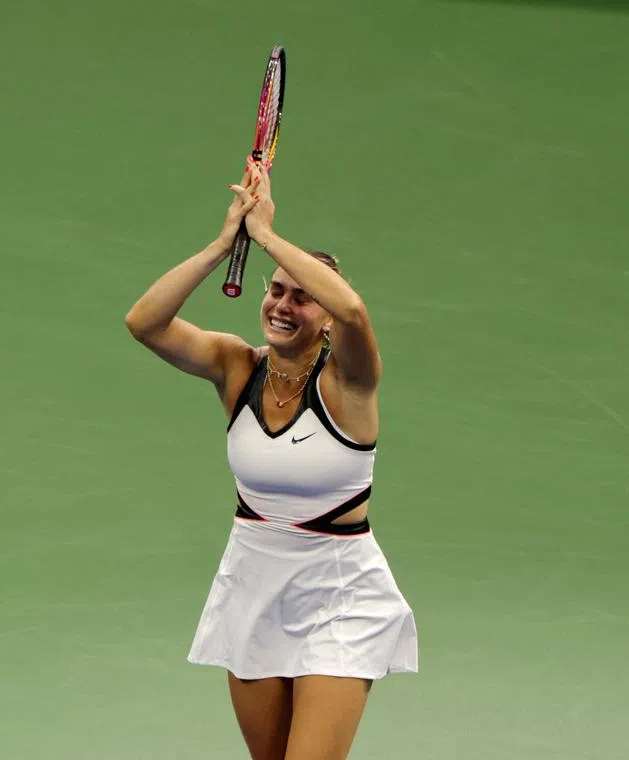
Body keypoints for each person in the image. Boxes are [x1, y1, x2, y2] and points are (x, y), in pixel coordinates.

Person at [124, 157, 418, 760]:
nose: (284, 306)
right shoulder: (237, 366)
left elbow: (357, 311)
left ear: (327, 321)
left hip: (341, 594)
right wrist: (223, 242)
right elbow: (145, 322)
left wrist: (266, 237)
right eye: (276, 290)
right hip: (254, 583)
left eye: (304, 299)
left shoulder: (350, 383)